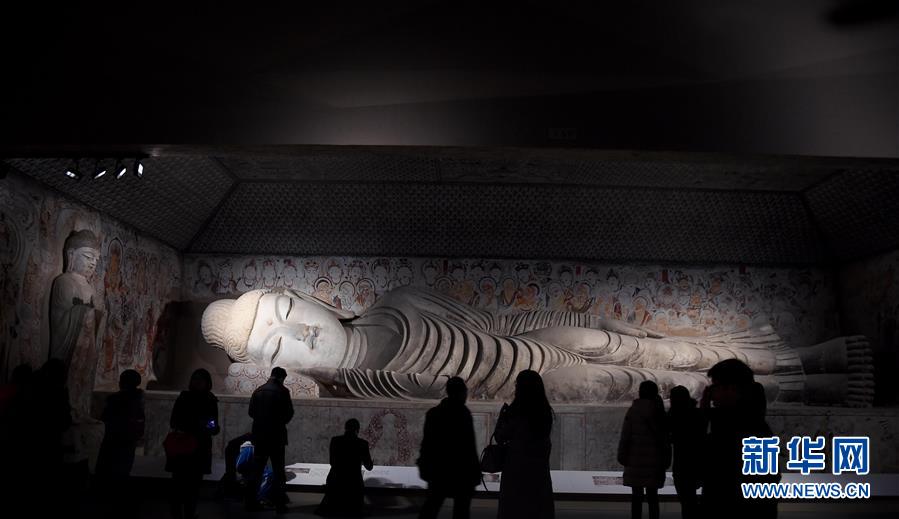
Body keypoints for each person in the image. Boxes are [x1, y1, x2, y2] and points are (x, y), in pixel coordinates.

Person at [202, 286, 872, 406]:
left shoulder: (400, 302)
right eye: (277, 346)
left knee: (659, 350)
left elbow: (489, 317)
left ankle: (804, 357)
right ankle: (810, 391)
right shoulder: (360, 389)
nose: (302, 331)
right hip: (530, 387)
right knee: (656, 385)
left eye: (287, 311)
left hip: (523, 342)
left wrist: (552, 320)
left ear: (306, 297)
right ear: (279, 369)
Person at [700, 359, 778, 519]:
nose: (711, 393)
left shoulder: (749, 430)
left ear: (732, 389)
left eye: (715, 386)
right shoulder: (736, 425)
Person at [416, 377, 481, 519]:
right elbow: (469, 447)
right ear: (460, 393)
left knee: (433, 506)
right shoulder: (463, 414)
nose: (466, 395)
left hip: (440, 468)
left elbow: (427, 444)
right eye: (464, 392)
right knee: (458, 510)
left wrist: (424, 464)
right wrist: (475, 470)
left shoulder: (434, 413)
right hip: (459, 470)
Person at [495, 370, 555, 519]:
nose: (515, 388)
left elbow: (500, 437)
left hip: (517, 469)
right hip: (538, 471)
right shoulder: (545, 412)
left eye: (517, 385)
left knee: (516, 508)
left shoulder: (517, 413)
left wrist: (502, 418)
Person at [166, 368, 220, 519]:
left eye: (200, 380)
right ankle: (179, 512)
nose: (197, 383)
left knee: (192, 483)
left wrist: (210, 427)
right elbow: (174, 421)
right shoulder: (187, 398)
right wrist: (202, 426)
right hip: (186, 444)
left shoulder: (209, 399)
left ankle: (187, 512)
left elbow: (212, 422)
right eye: (195, 379)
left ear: (207, 382)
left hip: (198, 445)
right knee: (181, 482)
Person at [95, 369, 146, 517]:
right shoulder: (138, 400)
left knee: (110, 473)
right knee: (121, 473)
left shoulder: (115, 400)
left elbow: (105, 418)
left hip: (114, 441)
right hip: (127, 442)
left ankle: (112, 506)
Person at [618, 380, 670, 519]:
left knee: (636, 497)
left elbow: (625, 436)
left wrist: (622, 455)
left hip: (635, 459)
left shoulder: (633, 411)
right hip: (655, 460)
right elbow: (665, 439)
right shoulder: (659, 412)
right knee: (653, 496)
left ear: (640, 392)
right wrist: (666, 459)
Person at [246, 366, 295, 514]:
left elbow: (251, 412)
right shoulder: (283, 391)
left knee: (257, 471)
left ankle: (250, 502)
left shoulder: (258, 391)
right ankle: (280, 504)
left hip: (260, 436)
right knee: (278, 471)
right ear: (281, 378)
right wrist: (279, 422)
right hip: (276, 437)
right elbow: (289, 413)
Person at [316, 418, 374, 517]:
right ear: (358, 430)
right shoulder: (362, 444)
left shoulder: (335, 441)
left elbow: (332, 462)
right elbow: (369, 467)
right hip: (353, 482)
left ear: (345, 428)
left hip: (335, 480)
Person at [668, 385, 705, 519]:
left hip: (682, 463)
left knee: (686, 502)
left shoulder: (674, 415)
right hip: (695, 462)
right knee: (690, 501)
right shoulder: (697, 414)